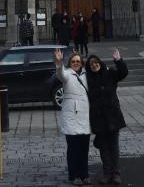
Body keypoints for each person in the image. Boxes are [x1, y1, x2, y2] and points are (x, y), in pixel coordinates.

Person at [86, 50, 128, 185]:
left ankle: (116, 174)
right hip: (98, 117)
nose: (94, 65)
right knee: (103, 147)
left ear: (100, 63)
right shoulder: (88, 79)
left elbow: (123, 73)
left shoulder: (109, 73)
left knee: (114, 145)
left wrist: (118, 60)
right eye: (91, 64)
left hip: (112, 115)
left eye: (96, 63)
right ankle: (107, 173)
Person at [54, 48, 91, 186]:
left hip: (85, 116)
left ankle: (85, 174)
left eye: (78, 61)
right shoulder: (67, 74)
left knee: (84, 148)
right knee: (73, 148)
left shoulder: (87, 75)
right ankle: (74, 175)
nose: (76, 63)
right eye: (73, 61)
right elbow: (60, 74)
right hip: (71, 116)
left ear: (81, 63)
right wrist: (59, 62)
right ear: (70, 63)